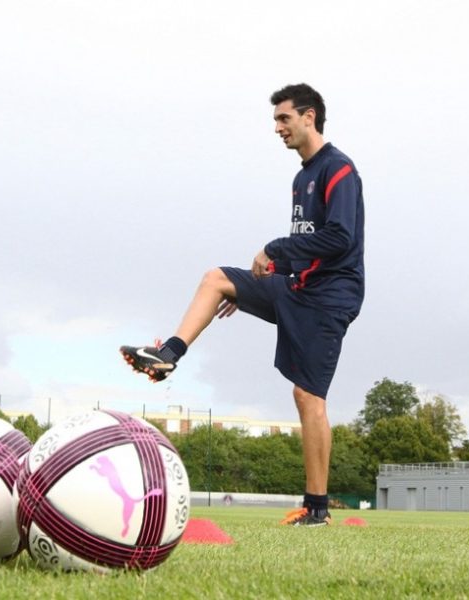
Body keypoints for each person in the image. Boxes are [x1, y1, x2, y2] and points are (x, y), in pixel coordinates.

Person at [120, 83, 365, 527]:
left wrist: (275, 249)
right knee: (218, 280)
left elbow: (340, 238)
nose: (277, 128)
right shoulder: (300, 177)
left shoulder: (339, 170)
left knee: (308, 396)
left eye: (284, 119)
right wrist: (267, 276)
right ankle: (169, 354)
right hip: (293, 286)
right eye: (275, 120)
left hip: (329, 298)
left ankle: (317, 509)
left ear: (309, 117)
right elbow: (309, 245)